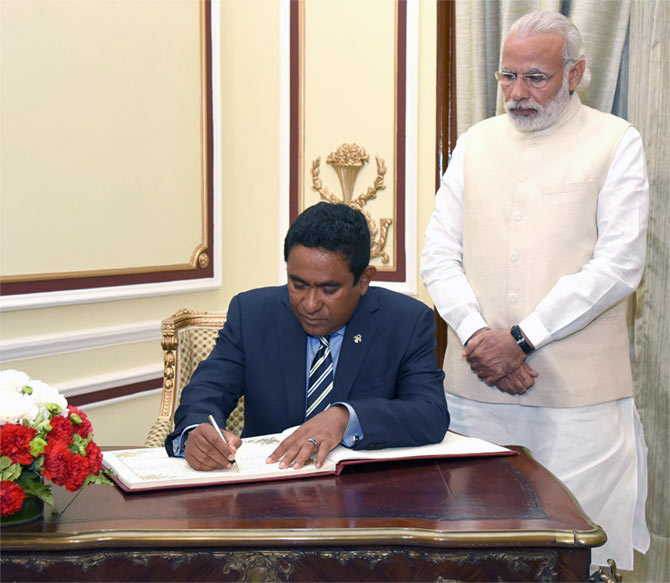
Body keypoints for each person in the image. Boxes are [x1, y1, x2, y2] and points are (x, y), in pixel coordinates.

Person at [421, 11, 649, 571]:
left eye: (535, 78)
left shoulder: (616, 141)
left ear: (575, 74)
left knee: (580, 559)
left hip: (577, 409)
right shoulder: (475, 143)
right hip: (474, 398)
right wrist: (479, 337)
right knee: (475, 554)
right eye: (506, 76)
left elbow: (619, 265)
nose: (517, 94)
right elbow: (437, 255)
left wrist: (522, 339)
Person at [167, 202, 449, 473]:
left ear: (364, 281)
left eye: (328, 289)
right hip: (267, 492)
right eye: (298, 284)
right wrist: (196, 432)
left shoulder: (405, 321)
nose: (310, 304)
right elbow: (208, 389)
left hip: (364, 496)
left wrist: (346, 416)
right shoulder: (252, 313)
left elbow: (430, 413)